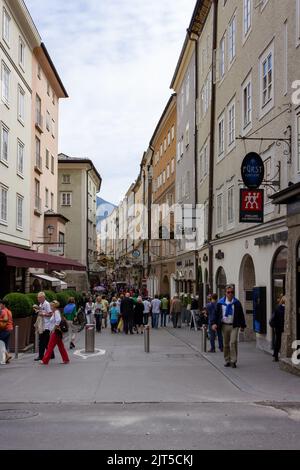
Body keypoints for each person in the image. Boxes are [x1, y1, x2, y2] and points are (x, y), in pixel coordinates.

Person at [211, 285, 246, 368]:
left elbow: (241, 314)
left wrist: (242, 326)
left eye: (232, 292)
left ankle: (233, 361)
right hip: (224, 325)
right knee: (226, 344)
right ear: (225, 293)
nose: (230, 294)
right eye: (228, 292)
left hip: (234, 325)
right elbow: (215, 314)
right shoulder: (220, 303)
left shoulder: (237, 303)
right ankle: (227, 360)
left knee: (233, 342)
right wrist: (213, 323)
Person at [41, 301, 70, 365]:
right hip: (56, 332)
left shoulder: (56, 312)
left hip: (55, 332)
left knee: (50, 346)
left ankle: (45, 360)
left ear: (54, 306)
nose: (50, 307)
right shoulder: (55, 312)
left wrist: (54, 329)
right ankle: (66, 359)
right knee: (60, 346)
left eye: (51, 306)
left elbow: (58, 320)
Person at [35, 292, 54, 362]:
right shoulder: (41, 304)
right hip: (42, 325)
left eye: (39, 298)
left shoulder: (47, 304)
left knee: (42, 341)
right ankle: (51, 354)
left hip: (46, 325)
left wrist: (43, 314)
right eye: (38, 297)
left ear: (43, 297)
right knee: (46, 342)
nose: (38, 299)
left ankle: (41, 356)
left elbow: (51, 313)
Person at [270, 296, 286, 362]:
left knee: (277, 341)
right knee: (279, 341)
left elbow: (273, 318)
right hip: (282, 326)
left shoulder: (277, 307)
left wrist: (274, 326)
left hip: (277, 327)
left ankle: (275, 355)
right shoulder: (285, 309)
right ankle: (281, 354)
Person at [0, 299, 13, 364]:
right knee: (5, 344)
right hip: (10, 329)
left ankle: (7, 355)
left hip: (5, 329)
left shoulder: (3, 311)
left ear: (3, 305)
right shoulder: (9, 311)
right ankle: (6, 359)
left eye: (0, 304)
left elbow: (5, 319)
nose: (0, 305)